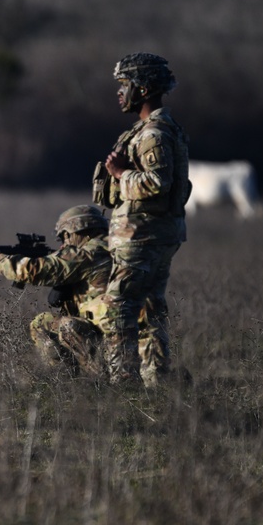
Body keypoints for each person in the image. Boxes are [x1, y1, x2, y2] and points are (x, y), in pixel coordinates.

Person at [92, 52, 190, 387]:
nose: (119, 92)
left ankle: (124, 379)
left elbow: (157, 183)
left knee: (118, 304)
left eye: (125, 85)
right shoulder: (156, 129)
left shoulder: (154, 134)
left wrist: (120, 173)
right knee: (150, 305)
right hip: (155, 235)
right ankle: (157, 377)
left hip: (144, 237)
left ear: (145, 89)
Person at [0, 205, 112, 376]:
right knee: (43, 322)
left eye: (64, 238)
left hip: (110, 339)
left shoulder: (88, 253)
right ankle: (67, 380)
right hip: (112, 330)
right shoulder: (113, 247)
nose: (64, 244)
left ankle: (95, 379)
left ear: (74, 232)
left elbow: (34, 270)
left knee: (69, 326)